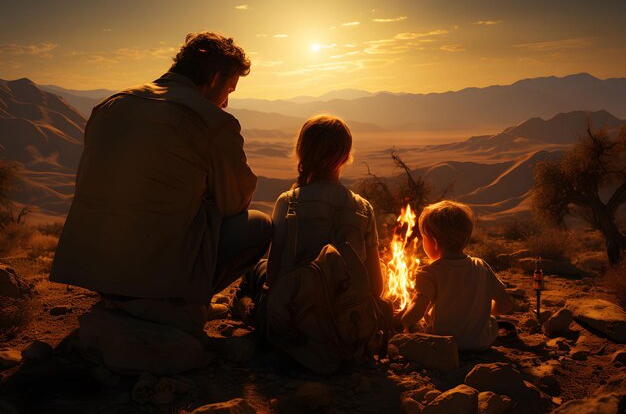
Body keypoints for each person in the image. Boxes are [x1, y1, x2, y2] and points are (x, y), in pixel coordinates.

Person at [50, 31, 271, 340]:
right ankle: (173, 306)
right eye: (229, 89)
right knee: (258, 225)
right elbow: (234, 203)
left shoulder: (111, 104)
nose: (227, 101)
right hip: (152, 272)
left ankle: (124, 300)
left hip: (92, 267)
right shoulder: (210, 120)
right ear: (217, 76)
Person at [235, 115, 385, 336]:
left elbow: (273, 276)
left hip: (295, 319)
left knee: (254, 272)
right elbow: (376, 287)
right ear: (345, 157)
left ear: (301, 152)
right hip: (346, 324)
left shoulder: (288, 202)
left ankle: (245, 310)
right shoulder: (363, 209)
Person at [401, 200, 513, 351]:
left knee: (416, 329)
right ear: (466, 239)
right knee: (492, 321)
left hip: (444, 343)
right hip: (481, 342)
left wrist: (404, 320)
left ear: (433, 241)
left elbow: (415, 313)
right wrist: (481, 312)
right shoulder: (481, 266)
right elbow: (505, 304)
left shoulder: (429, 273)